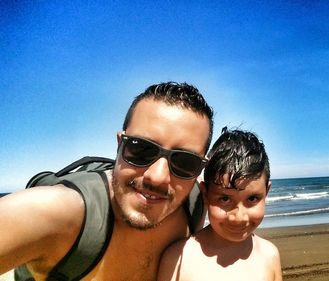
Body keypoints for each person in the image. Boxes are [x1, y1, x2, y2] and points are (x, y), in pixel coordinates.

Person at [0, 82, 214, 281]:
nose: (157, 177)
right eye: (141, 148)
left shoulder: (195, 204)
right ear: (120, 144)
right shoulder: (53, 213)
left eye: (186, 162)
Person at [158, 128, 282, 281]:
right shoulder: (178, 257)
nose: (239, 217)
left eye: (252, 199)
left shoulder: (270, 255)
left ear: (266, 192)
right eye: (224, 199)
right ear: (205, 194)